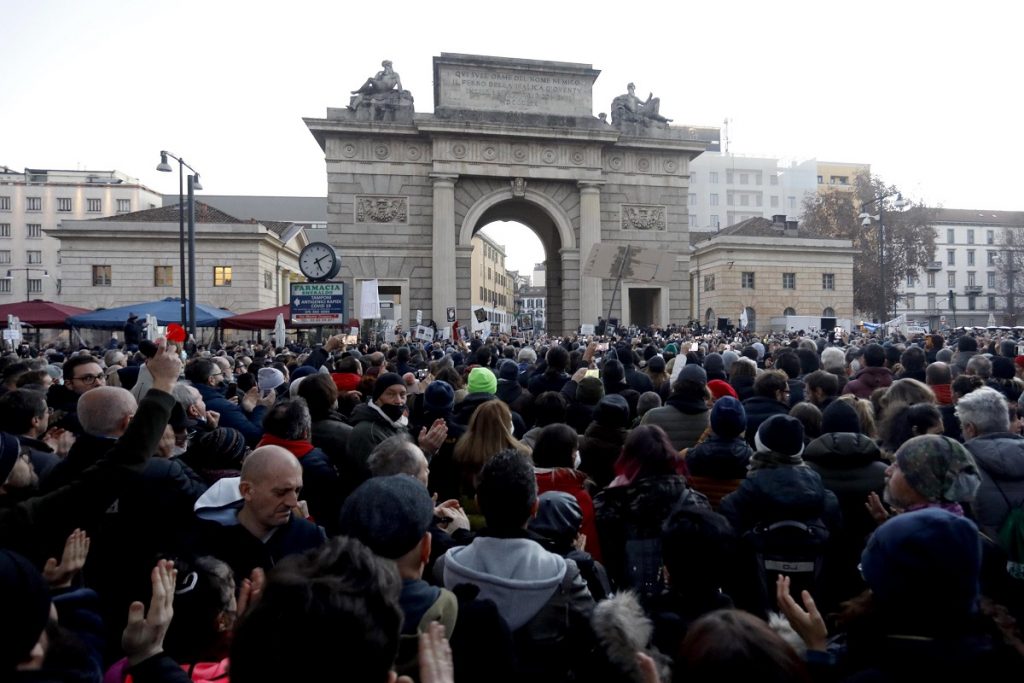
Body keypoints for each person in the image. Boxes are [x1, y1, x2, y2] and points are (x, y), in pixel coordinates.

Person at [437, 448, 595, 683]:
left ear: (478, 503)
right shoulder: (564, 575)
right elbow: (592, 636)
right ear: (535, 508)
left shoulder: (446, 566)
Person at [193, 445, 326, 584]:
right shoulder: (208, 544)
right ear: (247, 491)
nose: (293, 502)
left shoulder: (312, 538)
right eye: (281, 492)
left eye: (297, 490)